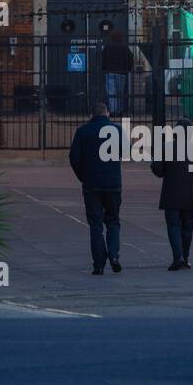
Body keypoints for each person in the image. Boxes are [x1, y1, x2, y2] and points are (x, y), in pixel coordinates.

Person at [69, 102, 122, 275]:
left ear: (91, 114)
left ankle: (98, 264)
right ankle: (114, 255)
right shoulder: (117, 130)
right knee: (113, 221)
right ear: (107, 113)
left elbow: (74, 158)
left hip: (91, 183)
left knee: (95, 224)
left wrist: (83, 176)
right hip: (113, 183)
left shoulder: (83, 131)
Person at [152, 117, 193, 270]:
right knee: (188, 228)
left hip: (170, 194)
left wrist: (165, 172)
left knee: (173, 227)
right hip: (190, 196)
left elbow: (156, 168)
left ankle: (178, 257)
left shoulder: (165, 147)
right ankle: (186, 256)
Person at [100, 21, 133, 115]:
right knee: (120, 93)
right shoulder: (124, 47)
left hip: (109, 72)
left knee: (111, 93)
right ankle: (120, 110)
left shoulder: (107, 47)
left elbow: (103, 59)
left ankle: (114, 111)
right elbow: (130, 58)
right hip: (121, 72)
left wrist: (104, 69)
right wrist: (128, 69)